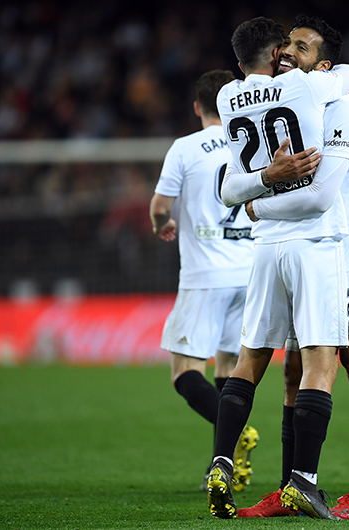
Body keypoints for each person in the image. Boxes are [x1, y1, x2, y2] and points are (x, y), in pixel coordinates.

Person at [206, 17, 349, 520]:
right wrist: (276, 178)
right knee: (320, 363)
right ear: (277, 52)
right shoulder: (306, 86)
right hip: (313, 244)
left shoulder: (228, 99)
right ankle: (303, 480)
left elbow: (230, 191)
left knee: (250, 360)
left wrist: (262, 186)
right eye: (287, 47)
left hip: (264, 248)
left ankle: (220, 461)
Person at [149, 69, 261, 493]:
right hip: (250, 274)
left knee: (184, 372)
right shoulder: (253, 143)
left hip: (205, 276)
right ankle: (224, 464)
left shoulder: (186, 148)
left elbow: (161, 205)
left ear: (197, 107)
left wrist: (161, 223)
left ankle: (235, 433)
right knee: (230, 369)